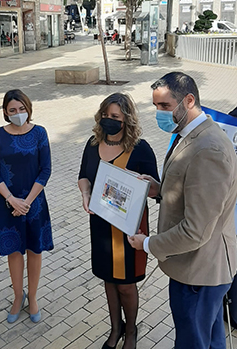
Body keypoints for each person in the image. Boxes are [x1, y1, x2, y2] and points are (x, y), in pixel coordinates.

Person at [128, 72, 237, 349]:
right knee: (209, 340)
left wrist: (149, 244)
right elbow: (190, 189)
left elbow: (196, 230)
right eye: (155, 107)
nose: (159, 114)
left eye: (165, 106)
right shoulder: (190, 134)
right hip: (195, 269)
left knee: (192, 342)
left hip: (200, 272)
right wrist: (160, 189)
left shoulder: (208, 149)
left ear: (189, 101)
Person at [78, 93, 159, 349]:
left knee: (125, 285)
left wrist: (151, 185)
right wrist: (86, 193)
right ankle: (115, 329)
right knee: (109, 281)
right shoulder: (92, 144)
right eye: (105, 115)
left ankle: (131, 331)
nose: (108, 120)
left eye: (115, 116)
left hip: (128, 229)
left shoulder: (141, 148)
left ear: (127, 119)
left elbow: (158, 190)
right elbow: (83, 176)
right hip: (101, 225)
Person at [0, 89, 53, 324]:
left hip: (34, 203)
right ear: (5, 112)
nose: (18, 114)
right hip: (7, 204)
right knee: (14, 252)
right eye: (12, 110)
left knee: (35, 250)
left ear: (29, 108)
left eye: (22, 109)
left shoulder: (39, 133)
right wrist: (11, 199)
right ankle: (18, 297)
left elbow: (45, 169)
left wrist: (26, 201)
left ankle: (33, 297)